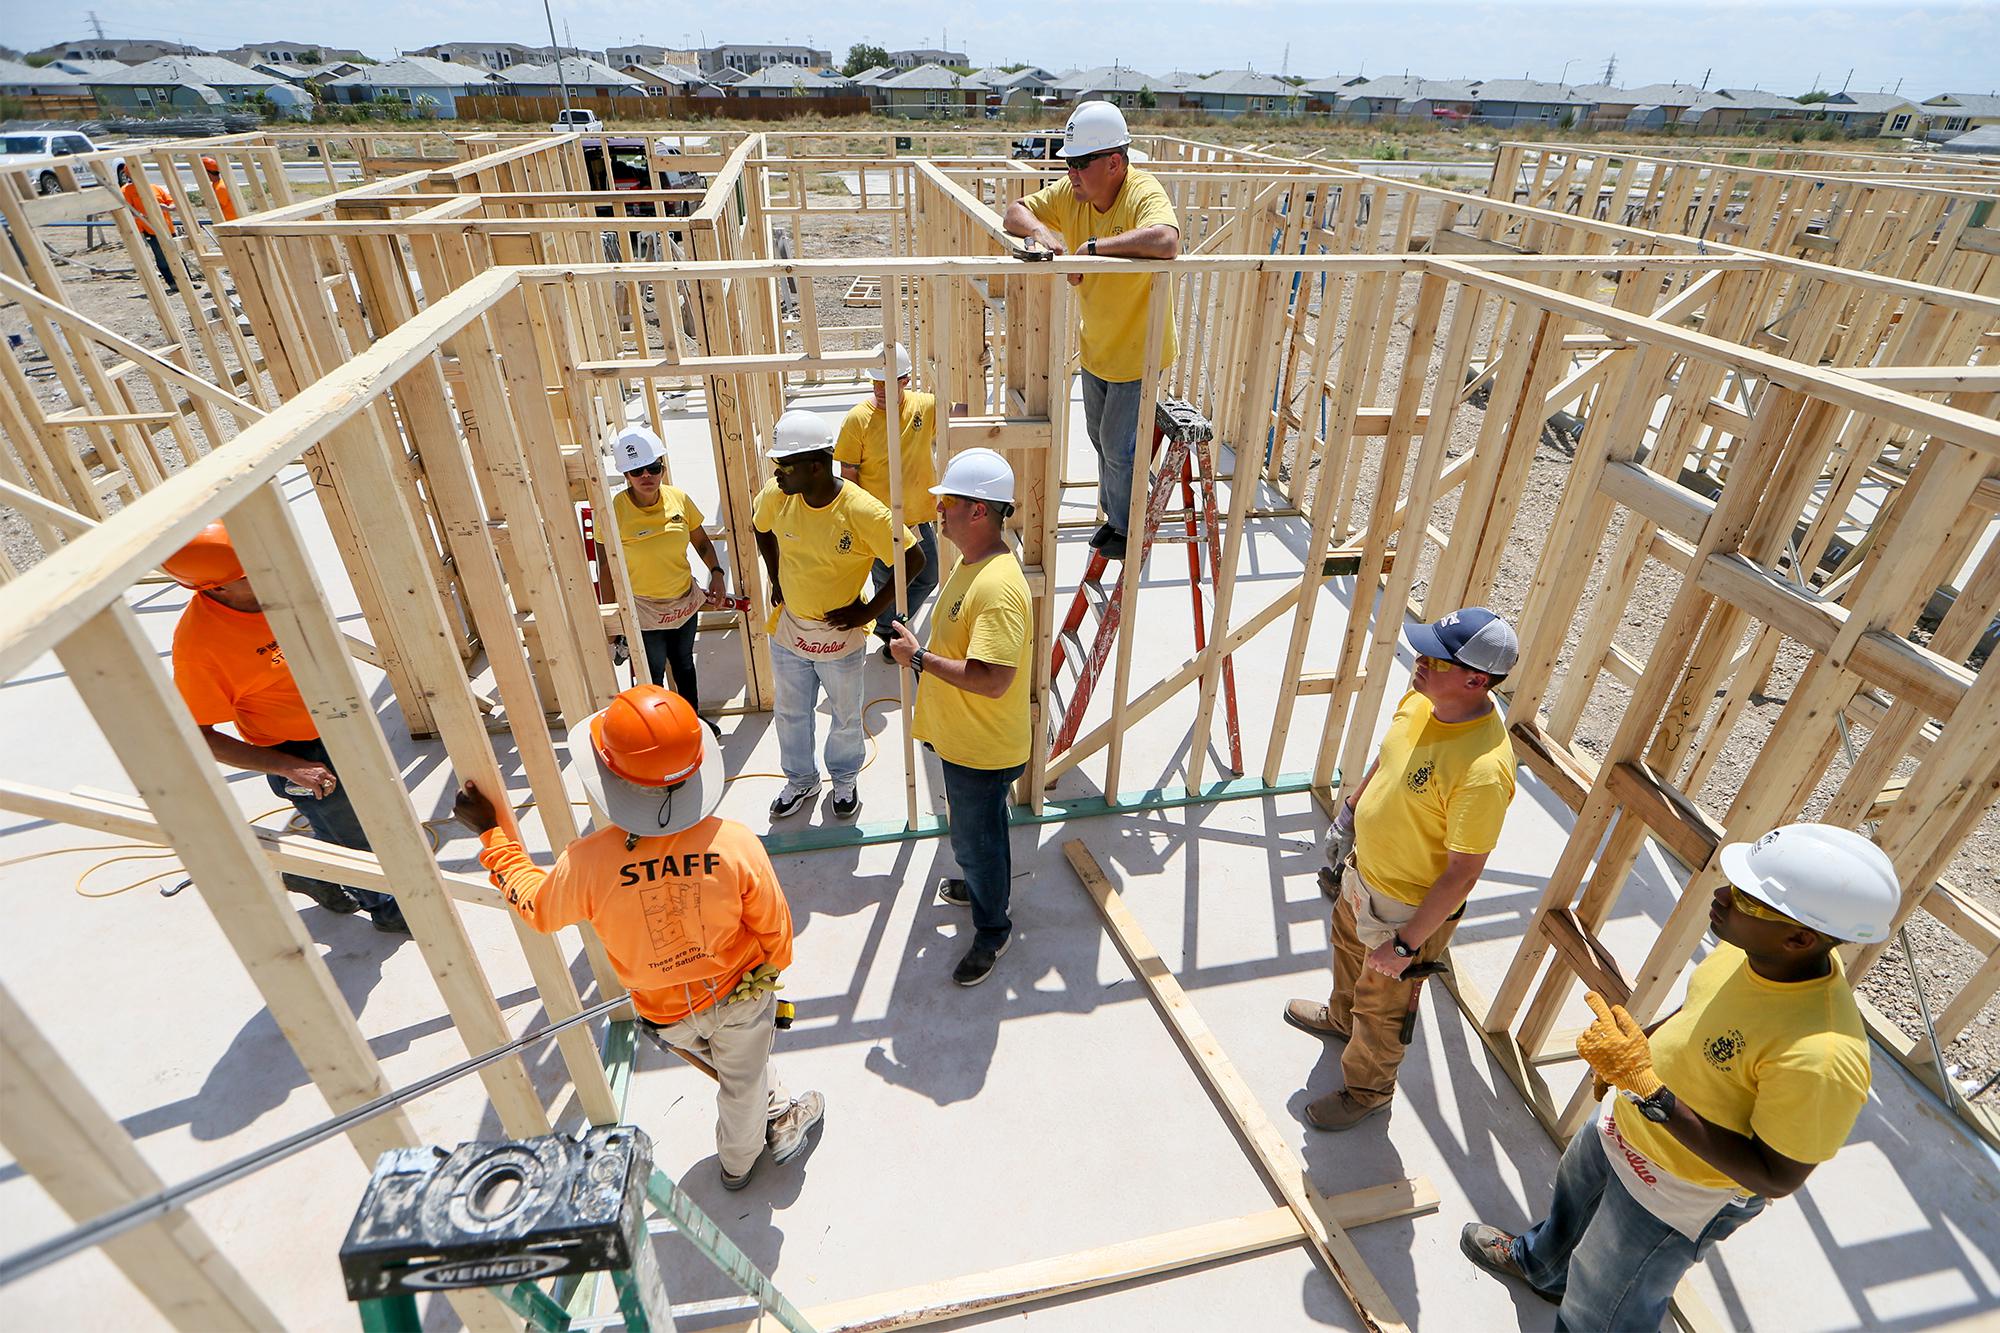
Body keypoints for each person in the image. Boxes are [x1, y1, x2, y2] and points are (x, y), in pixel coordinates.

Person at [1462, 824, 1895, 1332]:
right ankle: (1542, 1267)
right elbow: (1698, 1011)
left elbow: (1775, 1176)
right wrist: (1636, 1051)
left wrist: (1652, 1092)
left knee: (1603, 1305)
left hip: (1675, 1192)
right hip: (1628, 1124)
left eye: (1745, 898)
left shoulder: (1822, 1054)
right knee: (1570, 1210)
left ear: (1800, 937)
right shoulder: (1756, 950)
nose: (1721, 897)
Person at [455, 686, 825, 1190]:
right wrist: (768, 974)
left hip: (666, 1014)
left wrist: (493, 836)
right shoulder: (735, 843)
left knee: (736, 1073)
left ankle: (776, 1115)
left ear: (610, 777)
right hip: (740, 996)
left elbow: (538, 909)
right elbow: (775, 932)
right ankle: (739, 1166)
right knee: (741, 1085)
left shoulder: (587, 863)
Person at [1287, 607, 1519, 1130]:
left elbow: (1462, 873)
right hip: (1363, 875)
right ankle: (1341, 1020)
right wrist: (1351, 810)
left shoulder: (1483, 769)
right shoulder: (1423, 698)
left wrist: (1406, 944)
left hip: (1404, 907)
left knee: (1385, 1008)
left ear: (1475, 679)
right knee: (1347, 953)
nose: (1418, 660)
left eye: (1433, 658)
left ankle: (1367, 1091)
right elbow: (1389, 756)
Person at [165, 522, 407, 933]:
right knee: (352, 839)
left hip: (339, 725)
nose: (266, 569)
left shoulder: (278, 589)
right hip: (297, 751)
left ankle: (308, 872)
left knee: (373, 817)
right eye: (249, 572)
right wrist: (287, 767)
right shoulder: (200, 649)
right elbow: (195, 736)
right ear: (216, 588)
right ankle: (388, 910)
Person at [1002, 99, 1180, 562]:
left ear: (1115, 163)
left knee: (1121, 447)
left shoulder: (1141, 191)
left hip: (1138, 349)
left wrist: (1095, 249)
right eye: (1068, 163)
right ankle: (1114, 515)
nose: (1071, 172)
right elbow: (1014, 211)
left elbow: (1167, 240)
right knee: (1100, 438)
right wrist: (1043, 234)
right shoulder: (1072, 194)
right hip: (1097, 345)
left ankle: (1129, 527)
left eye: (1080, 163)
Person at [887, 449, 1033, 987]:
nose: (938, 512)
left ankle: (993, 930)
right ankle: (980, 883)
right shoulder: (973, 566)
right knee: (980, 833)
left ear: (977, 511)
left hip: (981, 748)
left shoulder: (996, 586)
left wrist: (919, 659)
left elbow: (993, 679)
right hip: (964, 740)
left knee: (978, 839)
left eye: (946, 502)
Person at [753, 407, 923, 822]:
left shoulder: (863, 511)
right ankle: (801, 780)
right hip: (792, 631)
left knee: (845, 718)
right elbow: (761, 528)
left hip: (839, 637)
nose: (777, 473)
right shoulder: (779, 496)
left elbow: (913, 559)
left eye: (784, 466)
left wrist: (868, 610)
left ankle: (844, 780)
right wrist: (775, 577)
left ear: (814, 466)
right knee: (791, 714)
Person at [610, 424, 726, 718]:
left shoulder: (679, 499)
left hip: (683, 602)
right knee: (653, 674)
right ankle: (658, 730)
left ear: (662, 467)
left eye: (653, 468)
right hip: (645, 608)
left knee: (684, 664)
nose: (646, 476)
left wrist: (716, 573)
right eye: (637, 472)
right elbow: (606, 562)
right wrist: (612, 616)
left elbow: (700, 541)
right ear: (626, 475)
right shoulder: (614, 511)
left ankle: (692, 722)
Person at [835, 342, 940, 659]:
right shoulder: (858, 420)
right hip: (880, 524)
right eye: (875, 382)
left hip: (918, 519)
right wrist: (858, 522)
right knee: (889, 586)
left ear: (905, 380)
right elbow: (848, 474)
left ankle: (887, 624)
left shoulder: (924, 407)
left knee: (929, 575)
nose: (880, 389)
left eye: (888, 381)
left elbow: (959, 413)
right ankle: (891, 635)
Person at [116, 161, 180, 293]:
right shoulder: (126, 191)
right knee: (161, 257)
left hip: (168, 228)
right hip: (150, 231)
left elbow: (173, 204)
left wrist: (168, 208)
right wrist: (143, 215)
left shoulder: (155, 188)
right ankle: (172, 283)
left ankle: (186, 281)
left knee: (177, 254)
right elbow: (127, 211)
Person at [200, 156, 237, 222]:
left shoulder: (220, 187)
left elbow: (215, 207)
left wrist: (206, 201)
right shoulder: (216, 184)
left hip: (231, 224)